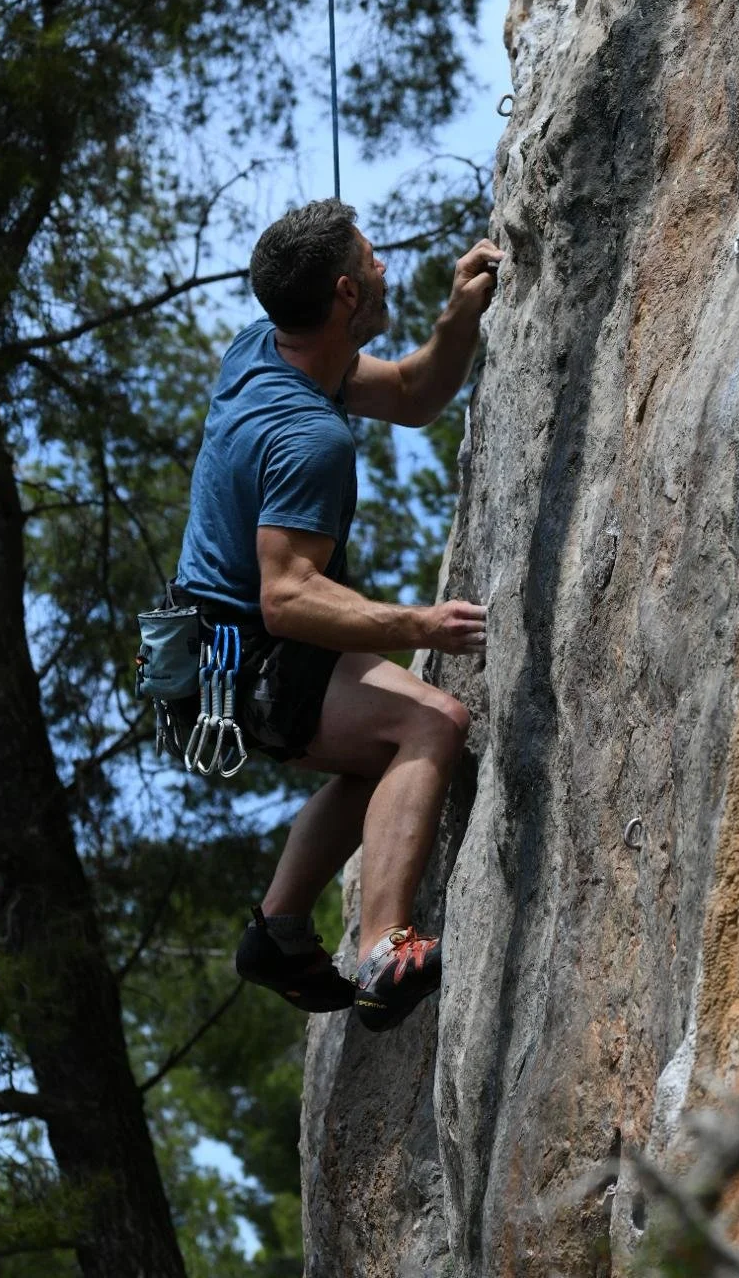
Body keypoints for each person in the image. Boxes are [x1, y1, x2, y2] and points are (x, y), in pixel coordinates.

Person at [172, 198, 502, 1032]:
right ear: (348, 294)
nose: (387, 265)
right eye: (373, 258)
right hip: (242, 667)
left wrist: (457, 318)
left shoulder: (265, 350)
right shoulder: (307, 438)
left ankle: (279, 933)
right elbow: (288, 600)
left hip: (210, 650)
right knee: (431, 721)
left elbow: (416, 391)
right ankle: (385, 949)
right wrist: (420, 625)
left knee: (375, 753)